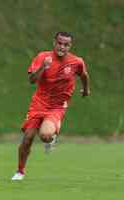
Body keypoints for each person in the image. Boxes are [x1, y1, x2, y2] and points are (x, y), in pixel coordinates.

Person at [11, 32, 90, 181]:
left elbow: (84, 75)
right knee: (27, 138)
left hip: (57, 106)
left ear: (69, 46)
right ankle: (20, 172)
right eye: (60, 43)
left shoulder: (77, 62)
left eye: (66, 44)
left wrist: (86, 89)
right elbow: (31, 80)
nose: (62, 47)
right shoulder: (42, 57)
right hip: (39, 103)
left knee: (45, 135)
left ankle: (51, 138)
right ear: (54, 42)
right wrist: (43, 67)